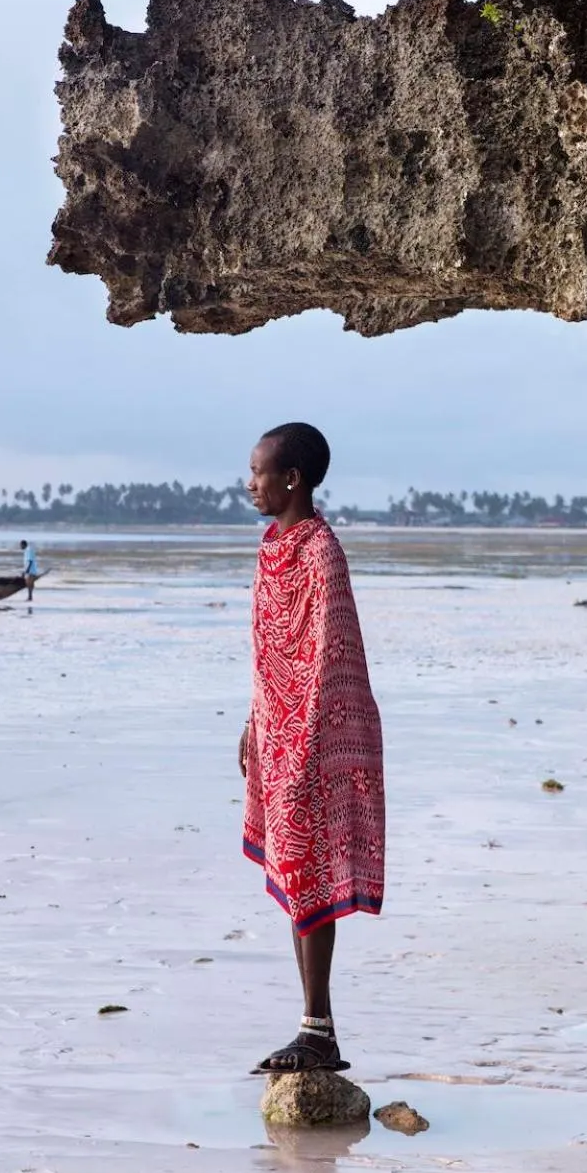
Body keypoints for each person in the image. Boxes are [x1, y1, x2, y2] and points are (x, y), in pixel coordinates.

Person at [239, 422, 385, 1075]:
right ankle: (314, 1027)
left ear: (292, 478)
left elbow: (329, 653)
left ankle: (317, 1029)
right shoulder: (274, 548)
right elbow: (270, 650)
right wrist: (255, 721)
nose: (251, 483)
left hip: (316, 738)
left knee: (310, 875)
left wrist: (304, 740)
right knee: (296, 874)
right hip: (278, 732)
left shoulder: (321, 553)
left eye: (260, 472)